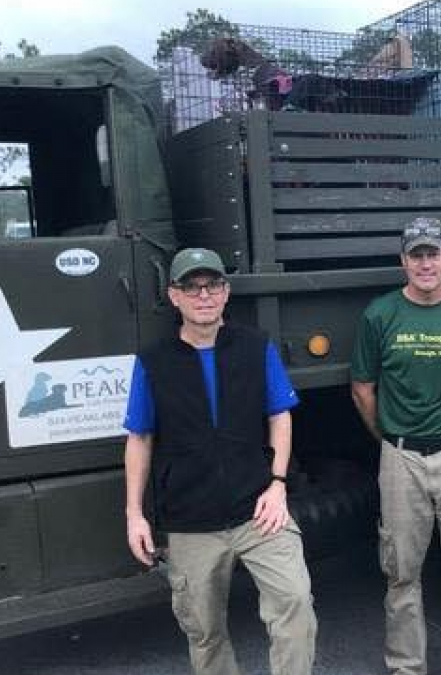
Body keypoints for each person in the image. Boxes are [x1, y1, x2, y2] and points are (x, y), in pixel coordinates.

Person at [123, 247, 316, 675]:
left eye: (212, 285)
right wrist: (135, 514)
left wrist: (278, 484)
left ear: (226, 292)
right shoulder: (153, 362)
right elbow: (139, 437)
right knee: (204, 633)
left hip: (258, 510)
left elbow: (279, 416)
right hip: (191, 520)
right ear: (174, 296)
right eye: (191, 287)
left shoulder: (255, 347)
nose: (203, 295)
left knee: (295, 604)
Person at [350, 217, 441, 675]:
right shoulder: (380, 315)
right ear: (403, 261)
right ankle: (406, 667)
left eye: (434, 253)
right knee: (401, 572)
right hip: (401, 458)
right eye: (417, 255)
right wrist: (392, 438)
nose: (426, 263)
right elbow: (363, 388)